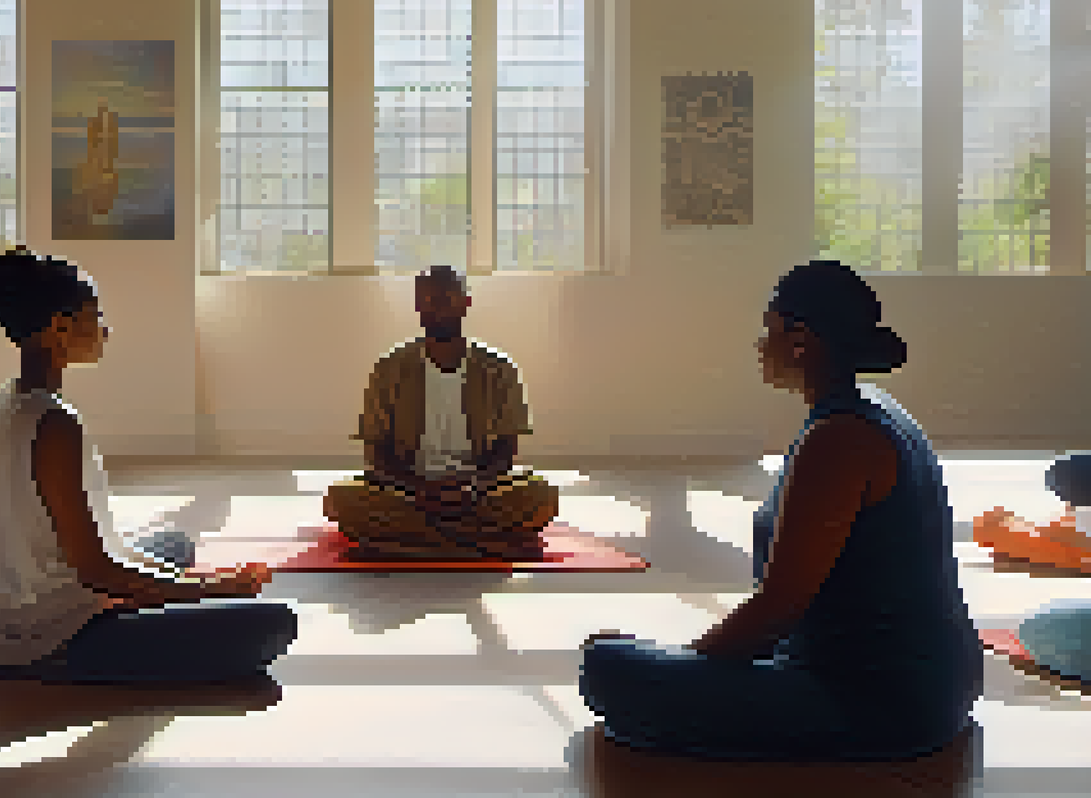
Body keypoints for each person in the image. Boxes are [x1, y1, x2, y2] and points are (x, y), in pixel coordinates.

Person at [578, 260, 984, 762]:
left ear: (799, 340)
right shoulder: (874, 410)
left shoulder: (838, 438)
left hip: (878, 703)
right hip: (938, 687)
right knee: (628, 656)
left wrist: (684, 667)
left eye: (767, 329)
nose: (758, 345)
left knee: (605, 666)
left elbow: (777, 609)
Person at [0, 247, 296, 683]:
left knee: (171, 542)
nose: (105, 330)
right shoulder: (54, 424)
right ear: (60, 327)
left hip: (20, 597)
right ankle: (74, 657)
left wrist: (193, 585)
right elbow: (94, 570)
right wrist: (211, 588)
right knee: (274, 623)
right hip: (55, 628)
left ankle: (155, 602)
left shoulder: (10, 400)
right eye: (94, 316)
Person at [323, 264, 558, 560]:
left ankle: (412, 542)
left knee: (540, 494)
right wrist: (420, 490)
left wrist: (472, 487)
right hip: (409, 492)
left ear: (465, 302)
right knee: (342, 498)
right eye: (429, 301)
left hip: (477, 493)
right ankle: (476, 542)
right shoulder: (389, 368)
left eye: (447, 299)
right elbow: (376, 452)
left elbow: (506, 451)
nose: (438, 309)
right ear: (418, 306)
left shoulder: (500, 368)